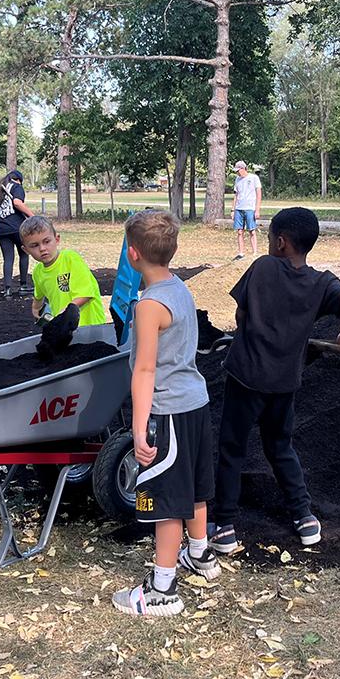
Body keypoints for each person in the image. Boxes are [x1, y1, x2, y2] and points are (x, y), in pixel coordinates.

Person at [210, 207, 340, 553]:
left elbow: (241, 314)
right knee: (280, 447)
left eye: (268, 239)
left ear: (280, 242)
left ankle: (224, 526)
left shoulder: (262, 268)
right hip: (284, 384)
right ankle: (305, 517)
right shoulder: (320, 282)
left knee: (232, 449)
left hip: (246, 378)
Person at [112, 210, 214, 618]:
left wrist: (139, 430)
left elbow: (145, 370)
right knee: (195, 487)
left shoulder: (149, 305)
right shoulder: (180, 288)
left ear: (132, 254)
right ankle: (201, 556)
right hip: (196, 403)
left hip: (167, 410)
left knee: (169, 501)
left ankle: (162, 588)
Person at [19, 215, 109, 327]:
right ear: (26, 250)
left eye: (46, 241)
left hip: (90, 327)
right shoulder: (38, 272)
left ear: (57, 239)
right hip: (65, 329)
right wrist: (36, 308)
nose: (42, 248)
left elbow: (85, 294)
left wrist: (64, 312)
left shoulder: (71, 259)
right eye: (35, 245)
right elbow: (39, 295)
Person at [0, 168, 35, 299]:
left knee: (8, 258)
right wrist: (33, 217)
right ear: (18, 180)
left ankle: (7, 289)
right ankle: (23, 286)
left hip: (1, 229)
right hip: (17, 227)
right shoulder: (16, 186)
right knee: (24, 254)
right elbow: (17, 203)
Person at [231, 161, 262, 260]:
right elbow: (236, 195)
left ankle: (255, 253)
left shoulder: (253, 178)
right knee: (240, 231)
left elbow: (258, 194)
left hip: (250, 208)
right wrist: (233, 210)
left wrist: (257, 210)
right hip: (239, 208)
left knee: (252, 231)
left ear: (243, 168)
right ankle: (241, 253)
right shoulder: (237, 179)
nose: (237, 173)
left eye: (238, 170)